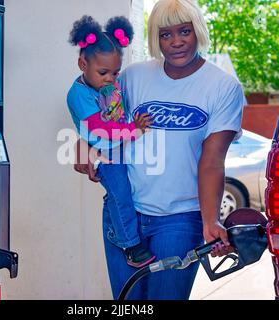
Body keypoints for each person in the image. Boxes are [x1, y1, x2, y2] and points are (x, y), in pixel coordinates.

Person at [74, 0, 245, 300]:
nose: (176, 41)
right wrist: (83, 143)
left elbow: (212, 160)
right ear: (155, 37)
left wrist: (210, 220)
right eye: (165, 34)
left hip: (180, 219)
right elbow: (98, 113)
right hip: (124, 213)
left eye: (184, 31)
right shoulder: (132, 77)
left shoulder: (222, 87)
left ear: (198, 31)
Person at [67, 15, 156, 268]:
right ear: (82, 63)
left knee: (122, 194)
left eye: (115, 72)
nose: (110, 78)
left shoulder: (107, 84)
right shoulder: (79, 94)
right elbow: (102, 129)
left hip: (116, 148)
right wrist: (135, 129)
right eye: (103, 72)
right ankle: (130, 245)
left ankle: (125, 232)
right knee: (121, 195)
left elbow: (117, 107)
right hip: (104, 152)